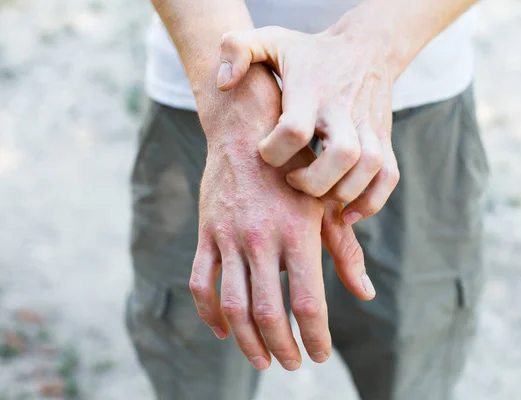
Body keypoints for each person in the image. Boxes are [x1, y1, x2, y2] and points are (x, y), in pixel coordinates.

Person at [124, 0, 490, 399]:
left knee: (413, 368)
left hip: (414, 91)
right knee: (199, 373)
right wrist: (234, 109)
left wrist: (371, 48)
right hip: (207, 96)